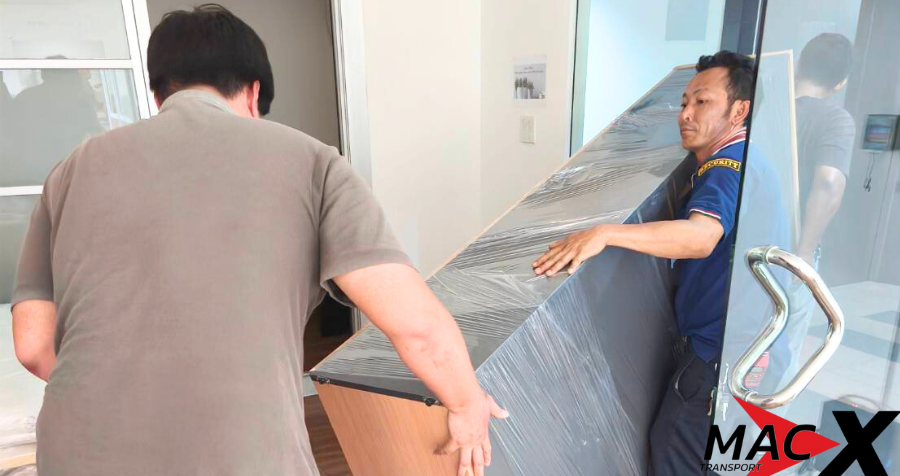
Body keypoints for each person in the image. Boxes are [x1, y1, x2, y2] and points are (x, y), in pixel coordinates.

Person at [11, 5, 506, 476]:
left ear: (159, 96)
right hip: (238, 456)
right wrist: (466, 404)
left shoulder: (70, 172)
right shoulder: (313, 163)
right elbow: (415, 326)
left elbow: (32, 345)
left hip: (77, 451)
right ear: (253, 94)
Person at [533, 51, 773, 474]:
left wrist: (605, 233)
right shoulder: (756, 160)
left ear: (739, 111)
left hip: (718, 354)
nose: (686, 114)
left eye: (702, 102)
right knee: (718, 459)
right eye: (684, 102)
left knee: (676, 448)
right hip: (747, 347)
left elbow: (701, 237)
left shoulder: (726, 167)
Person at [794, 33, 855, 269]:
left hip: (743, 233)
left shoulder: (761, 104)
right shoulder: (835, 120)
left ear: (799, 63)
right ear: (840, 83)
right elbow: (829, 183)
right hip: (787, 246)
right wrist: (804, 254)